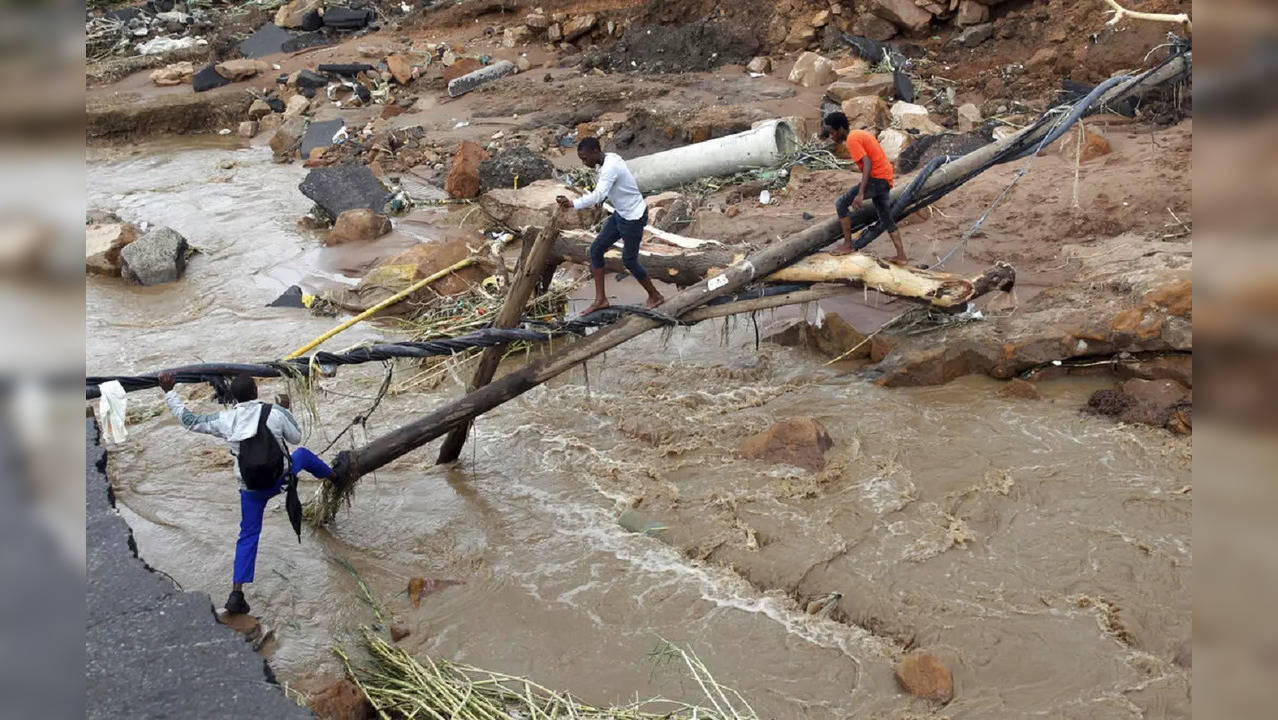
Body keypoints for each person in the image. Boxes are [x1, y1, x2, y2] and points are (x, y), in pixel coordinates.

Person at [157, 371, 332, 615]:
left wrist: (169, 392)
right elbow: (297, 436)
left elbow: (189, 420)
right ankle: (334, 476)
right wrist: (287, 408)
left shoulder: (226, 419)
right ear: (256, 392)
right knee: (301, 454)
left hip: (251, 490)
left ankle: (236, 594)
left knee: (248, 535)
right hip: (280, 480)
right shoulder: (275, 412)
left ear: (234, 398)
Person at [556, 137, 665, 314]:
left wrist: (573, 203)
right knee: (596, 249)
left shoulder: (609, 167)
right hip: (621, 214)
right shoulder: (610, 158)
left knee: (629, 260)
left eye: (585, 158)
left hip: (633, 217)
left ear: (595, 152)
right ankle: (601, 300)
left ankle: (655, 296)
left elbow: (598, 194)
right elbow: (611, 188)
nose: (584, 163)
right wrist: (605, 197)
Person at [822, 112, 908, 264]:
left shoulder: (852, 140)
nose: (831, 137)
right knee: (886, 217)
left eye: (832, 132)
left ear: (841, 129)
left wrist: (861, 193)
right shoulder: (858, 134)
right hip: (885, 176)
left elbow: (867, 163)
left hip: (877, 178)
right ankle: (901, 256)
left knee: (841, 203)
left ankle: (848, 244)